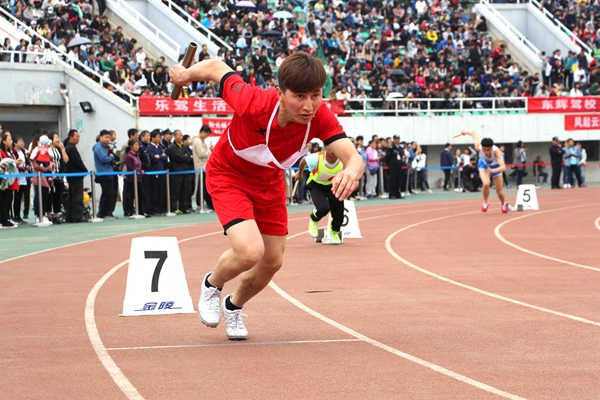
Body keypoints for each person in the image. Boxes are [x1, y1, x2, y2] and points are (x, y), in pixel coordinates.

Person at [169, 51, 363, 341]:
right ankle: (212, 284)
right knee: (249, 251)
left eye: (315, 95)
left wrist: (351, 172)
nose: (308, 106)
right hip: (229, 175)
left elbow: (353, 157)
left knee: (272, 261)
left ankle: (233, 306)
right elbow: (215, 67)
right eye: (299, 96)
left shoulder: (320, 116)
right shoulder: (253, 101)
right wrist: (185, 75)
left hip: (269, 184)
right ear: (280, 94)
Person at [295, 144, 345, 244]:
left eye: (336, 147)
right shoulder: (316, 158)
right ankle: (314, 219)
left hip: (332, 186)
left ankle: (334, 233)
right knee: (323, 208)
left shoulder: (343, 160)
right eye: (331, 146)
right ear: (325, 146)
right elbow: (303, 161)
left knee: (339, 213)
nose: (333, 150)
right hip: (316, 185)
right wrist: (300, 173)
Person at [459, 131, 509, 213]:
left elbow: (503, 168)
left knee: (499, 191)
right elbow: (474, 133)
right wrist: (465, 132)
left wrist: (492, 170)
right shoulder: (478, 147)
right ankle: (486, 202)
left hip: (495, 166)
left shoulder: (496, 151)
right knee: (486, 183)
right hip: (483, 164)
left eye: (488, 150)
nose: (486, 152)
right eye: (484, 150)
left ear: (491, 147)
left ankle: (503, 204)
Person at [64, 130, 89, 223]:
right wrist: (84, 170)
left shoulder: (69, 147)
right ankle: (78, 216)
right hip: (76, 175)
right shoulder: (71, 148)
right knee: (78, 197)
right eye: (77, 136)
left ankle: (70, 216)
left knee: (72, 196)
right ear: (71, 137)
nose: (78, 138)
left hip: (71, 175)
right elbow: (77, 161)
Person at [93, 130, 116, 219]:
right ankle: (103, 213)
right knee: (108, 193)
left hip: (109, 172)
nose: (107, 139)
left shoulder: (105, 147)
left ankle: (105, 212)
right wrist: (112, 157)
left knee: (108, 193)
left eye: (108, 137)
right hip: (103, 173)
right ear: (100, 137)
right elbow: (104, 159)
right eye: (106, 137)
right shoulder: (98, 147)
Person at [0, 132, 22, 228]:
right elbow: (3, 165)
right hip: (3, 179)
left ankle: (7, 218)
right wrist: (14, 163)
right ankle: (4, 220)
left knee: (8, 199)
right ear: (4, 141)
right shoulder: (1, 152)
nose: (11, 141)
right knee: (4, 200)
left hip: (10, 179)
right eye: (9, 140)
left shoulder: (10, 153)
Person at [191, 125, 214, 211]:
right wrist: (209, 150)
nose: (207, 136)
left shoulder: (200, 141)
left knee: (203, 187)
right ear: (203, 132)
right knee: (201, 188)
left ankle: (201, 204)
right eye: (207, 134)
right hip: (201, 167)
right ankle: (199, 205)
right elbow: (202, 154)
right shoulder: (198, 141)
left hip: (203, 167)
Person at [11, 135, 31, 224]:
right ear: (15, 143)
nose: (22, 143)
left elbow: (26, 162)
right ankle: (15, 215)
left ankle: (19, 216)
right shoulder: (13, 152)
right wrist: (23, 169)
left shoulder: (23, 151)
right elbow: (15, 164)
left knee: (21, 197)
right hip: (17, 177)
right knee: (16, 197)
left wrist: (27, 167)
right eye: (20, 141)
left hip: (24, 178)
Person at [123, 139, 144, 217]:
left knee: (141, 194)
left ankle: (140, 211)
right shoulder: (129, 156)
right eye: (135, 145)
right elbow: (130, 167)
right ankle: (131, 211)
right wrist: (139, 171)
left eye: (138, 145)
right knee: (131, 195)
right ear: (131, 146)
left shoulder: (137, 155)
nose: (137, 146)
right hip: (132, 179)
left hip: (138, 178)